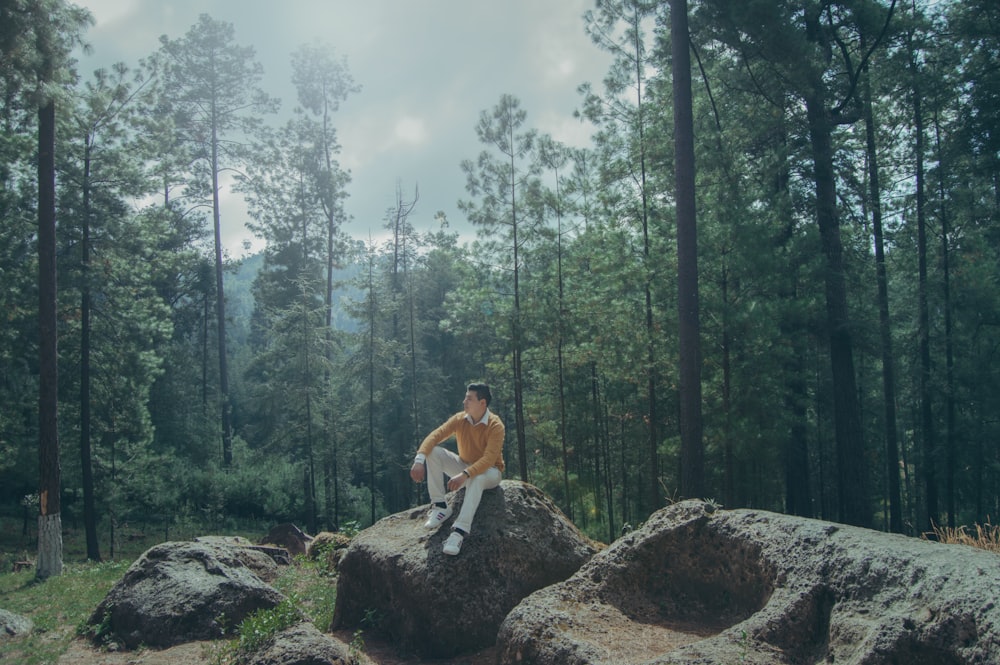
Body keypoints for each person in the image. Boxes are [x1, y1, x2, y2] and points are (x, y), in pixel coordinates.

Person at [410, 383, 505, 555]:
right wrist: (419, 459)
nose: (464, 402)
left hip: (490, 472)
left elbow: (489, 459)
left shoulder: (495, 425)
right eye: (465, 397)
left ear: (482, 403)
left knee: (478, 477)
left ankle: (458, 532)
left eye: (469, 398)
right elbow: (436, 435)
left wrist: (465, 474)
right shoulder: (460, 419)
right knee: (434, 452)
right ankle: (440, 506)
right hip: (464, 467)